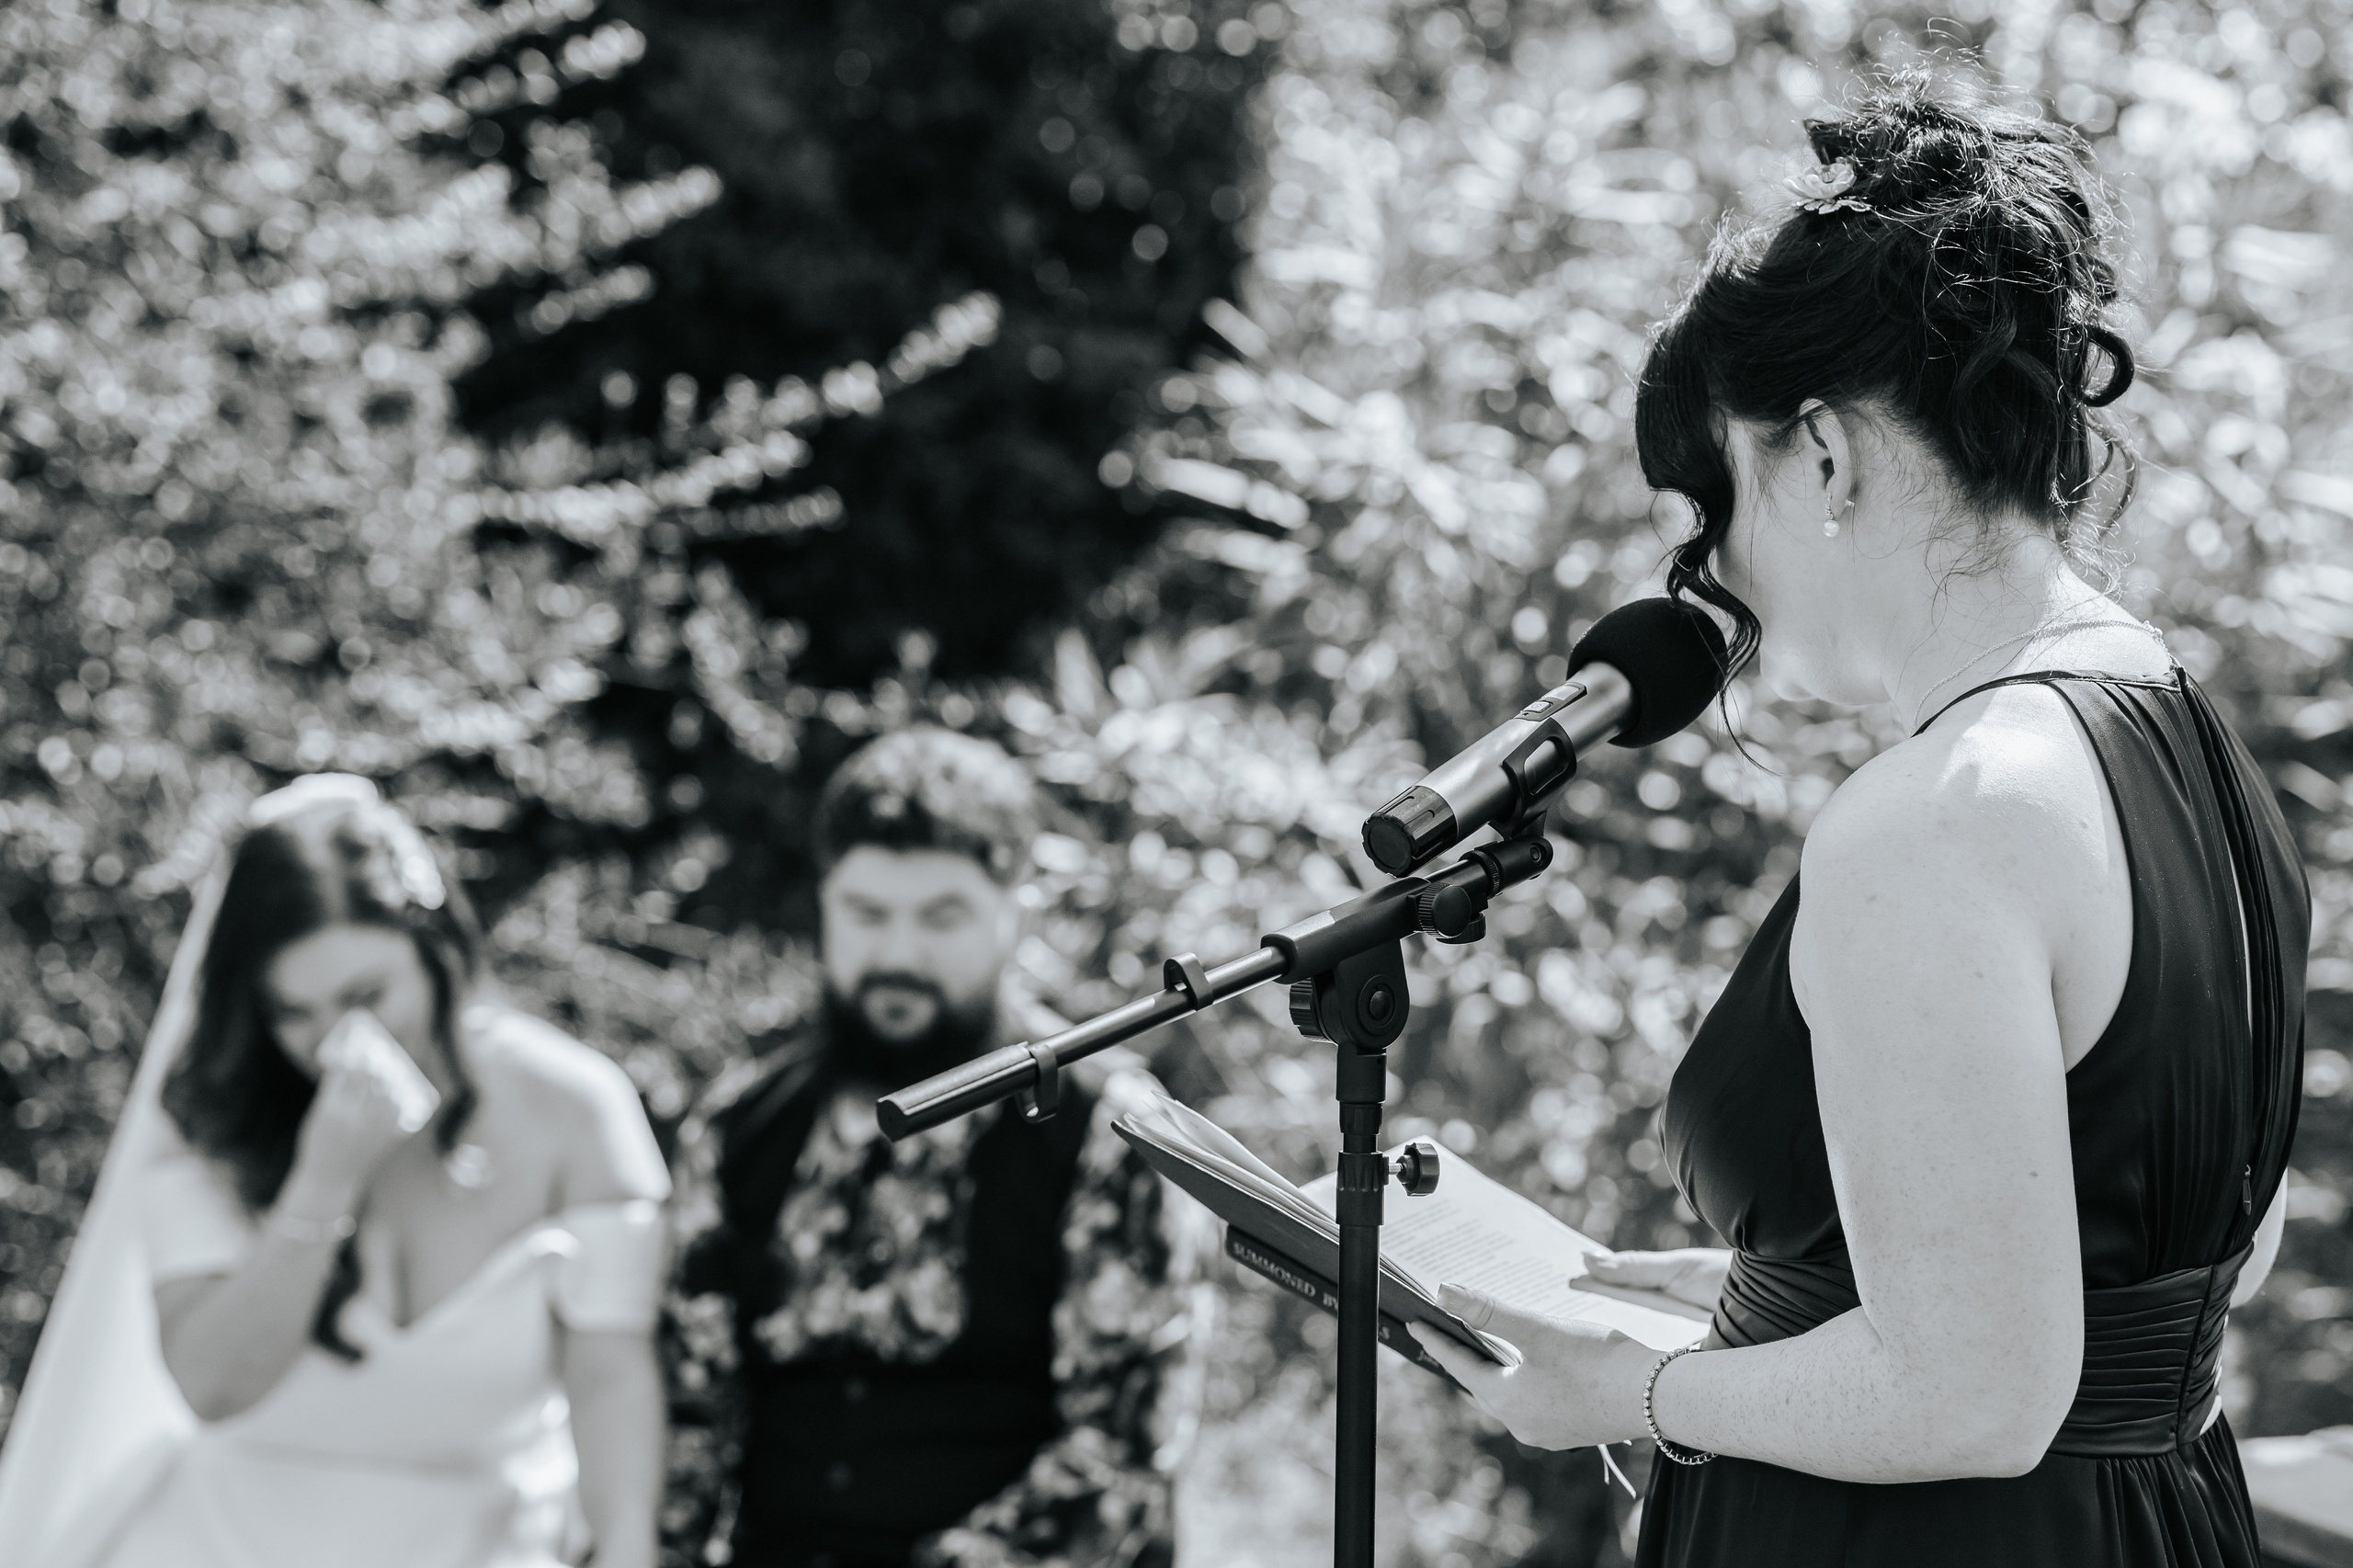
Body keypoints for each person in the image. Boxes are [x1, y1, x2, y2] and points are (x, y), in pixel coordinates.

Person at [1423, 73, 2306, 1568]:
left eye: (1714, 505)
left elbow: (1977, 1396)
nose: (1709, 576)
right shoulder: (2191, 738)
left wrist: (1627, 1387)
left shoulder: (1934, 821)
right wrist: (1802, 1289)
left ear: (1823, 455)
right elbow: (2197, 1251)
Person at [0, 775, 672, 1568]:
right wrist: (324, 1185)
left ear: (433, 950)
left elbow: (611, 1380)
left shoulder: (576, 1109)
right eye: (293, 1012)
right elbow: (212, 1388)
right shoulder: (211, 1121)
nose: (334, 1044)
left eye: (366, 996)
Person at [663, 728, 1207, 1568]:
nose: (899, 955)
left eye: (941, 916)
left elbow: (1122, 1455)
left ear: (1013, 910)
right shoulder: (742, 1124)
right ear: (824, 903)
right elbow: (688, 1420)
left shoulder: (1111, 1132)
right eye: (868, 914)